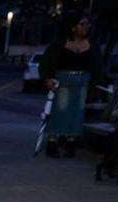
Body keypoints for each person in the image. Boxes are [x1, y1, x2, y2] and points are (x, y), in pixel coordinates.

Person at [40, 13, 105, 158]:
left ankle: (71, 141)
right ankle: (52, 140)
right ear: (73, 27)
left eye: (87, 24)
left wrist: (97, 85)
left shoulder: (92, 45)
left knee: (78, 112)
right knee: (61, 109)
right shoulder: (60, 44)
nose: (85, 27)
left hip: (82, 81)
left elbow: (98, 67)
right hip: (63, 80)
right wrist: (47, 78)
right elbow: (47, 61)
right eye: (82, 24)